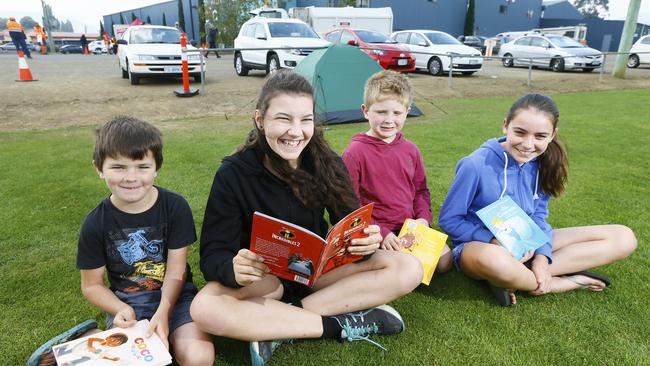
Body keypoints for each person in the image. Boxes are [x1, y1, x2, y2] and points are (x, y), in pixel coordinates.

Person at [190, 70, 422, 366]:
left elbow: (351, 226)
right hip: (265, 280)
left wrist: (364, 241)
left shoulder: (327, 163)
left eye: (305, 119)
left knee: (408, 268)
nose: (296, 131)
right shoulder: (233, 174)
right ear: (260, 120)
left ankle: (275, 325)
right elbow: (212, 255)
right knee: (204, 308)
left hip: (317, 274)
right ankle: (334, 326)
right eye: (283, 119)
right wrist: (232, 268)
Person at [28, 117, 215, 366]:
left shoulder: (174, 207)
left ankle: (98, 338)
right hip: (129, 305)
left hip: (176, 298)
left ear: (156, 167)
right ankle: (90, 339)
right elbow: (92, 285)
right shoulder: (95, 223)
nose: (131, 177)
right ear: (99, 168)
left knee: (199, 358)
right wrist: (119, 309)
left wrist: (164, 312)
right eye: (118, 167)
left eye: (142, 166)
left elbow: (177, 269)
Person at [438, 93, 637, 306]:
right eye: (520, 132)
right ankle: (559, 283)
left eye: (540, 136)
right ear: (505, 125)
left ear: (552, 135)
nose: (528, 144)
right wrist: (493, 240)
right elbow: (450, 220)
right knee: (495, 261)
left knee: (624, 238)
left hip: (527, 241)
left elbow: (539, 217)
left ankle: (519, 276)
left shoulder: (544, 163)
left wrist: (542, 256)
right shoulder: (474, 165)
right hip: (479, 247)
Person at [342, 70, 452, 273]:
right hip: (375, 231)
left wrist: (422, 219)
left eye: (397, 113)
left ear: (407, 111)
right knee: (400, 266)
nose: (389, 120)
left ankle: (403, 265)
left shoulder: (411, 150)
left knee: (445, 261)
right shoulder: (354, 153)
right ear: (366, 111)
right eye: (381, 112)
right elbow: (352, 205)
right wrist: (382, 233)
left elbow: (420, 191)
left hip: (409, 229)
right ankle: (391, 266)